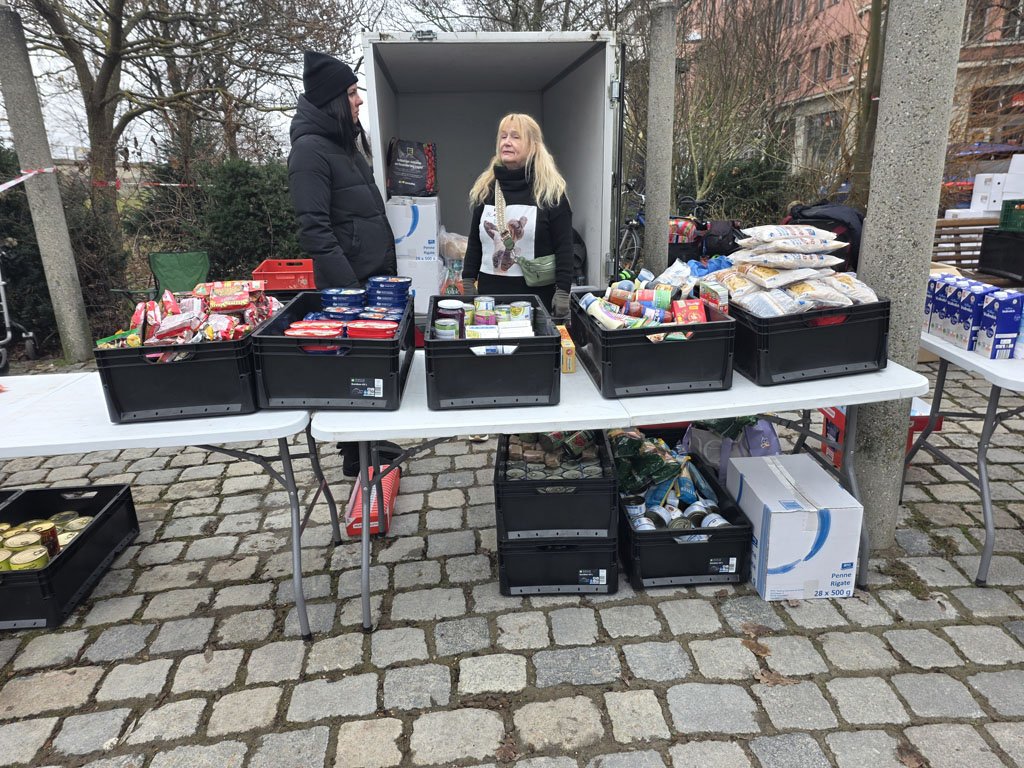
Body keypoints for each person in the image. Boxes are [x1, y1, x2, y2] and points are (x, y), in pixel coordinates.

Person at [288, 50, 401, 476]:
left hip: (371, 279)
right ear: (333, 98)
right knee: (353, 365)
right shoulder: (310, 152)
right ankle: (356, 455)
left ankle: (366, 443)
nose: (359, 100)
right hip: (350, 286)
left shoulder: (343, 144)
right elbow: (315, 232)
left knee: (368, 365)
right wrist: (349, 292)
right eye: (352, 93)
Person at [462, 113, 574, 319]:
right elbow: (475, 243)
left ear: (533, 145)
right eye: (503, 136)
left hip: (536, 305)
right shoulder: (486, 190)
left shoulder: (549, 193)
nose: (506, 142)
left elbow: (564, 249)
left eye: (515, 136)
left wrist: (562, 292)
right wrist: (468, 281)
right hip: (488, 304)